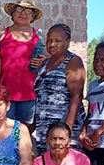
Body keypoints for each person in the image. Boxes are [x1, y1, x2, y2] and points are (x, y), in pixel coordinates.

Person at [33, 23, 86, 155]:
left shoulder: (73, 62)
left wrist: (67, 129)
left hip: (63, 131)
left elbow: (77, 96)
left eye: (57, 41)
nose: (52, 44)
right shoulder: (45, 63)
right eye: (49, 40)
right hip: (45, 130)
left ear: (67, 42)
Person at [0, 0, 46, 126]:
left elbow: (51, 62)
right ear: (12, 14)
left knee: (25, 130)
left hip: (29, 94)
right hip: (4, 92)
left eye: (28, 11)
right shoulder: (2, 34)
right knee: (4, 129)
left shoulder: (40, 38)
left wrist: (44, 61)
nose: (23, 14)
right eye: (19, 10)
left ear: (33, 17)